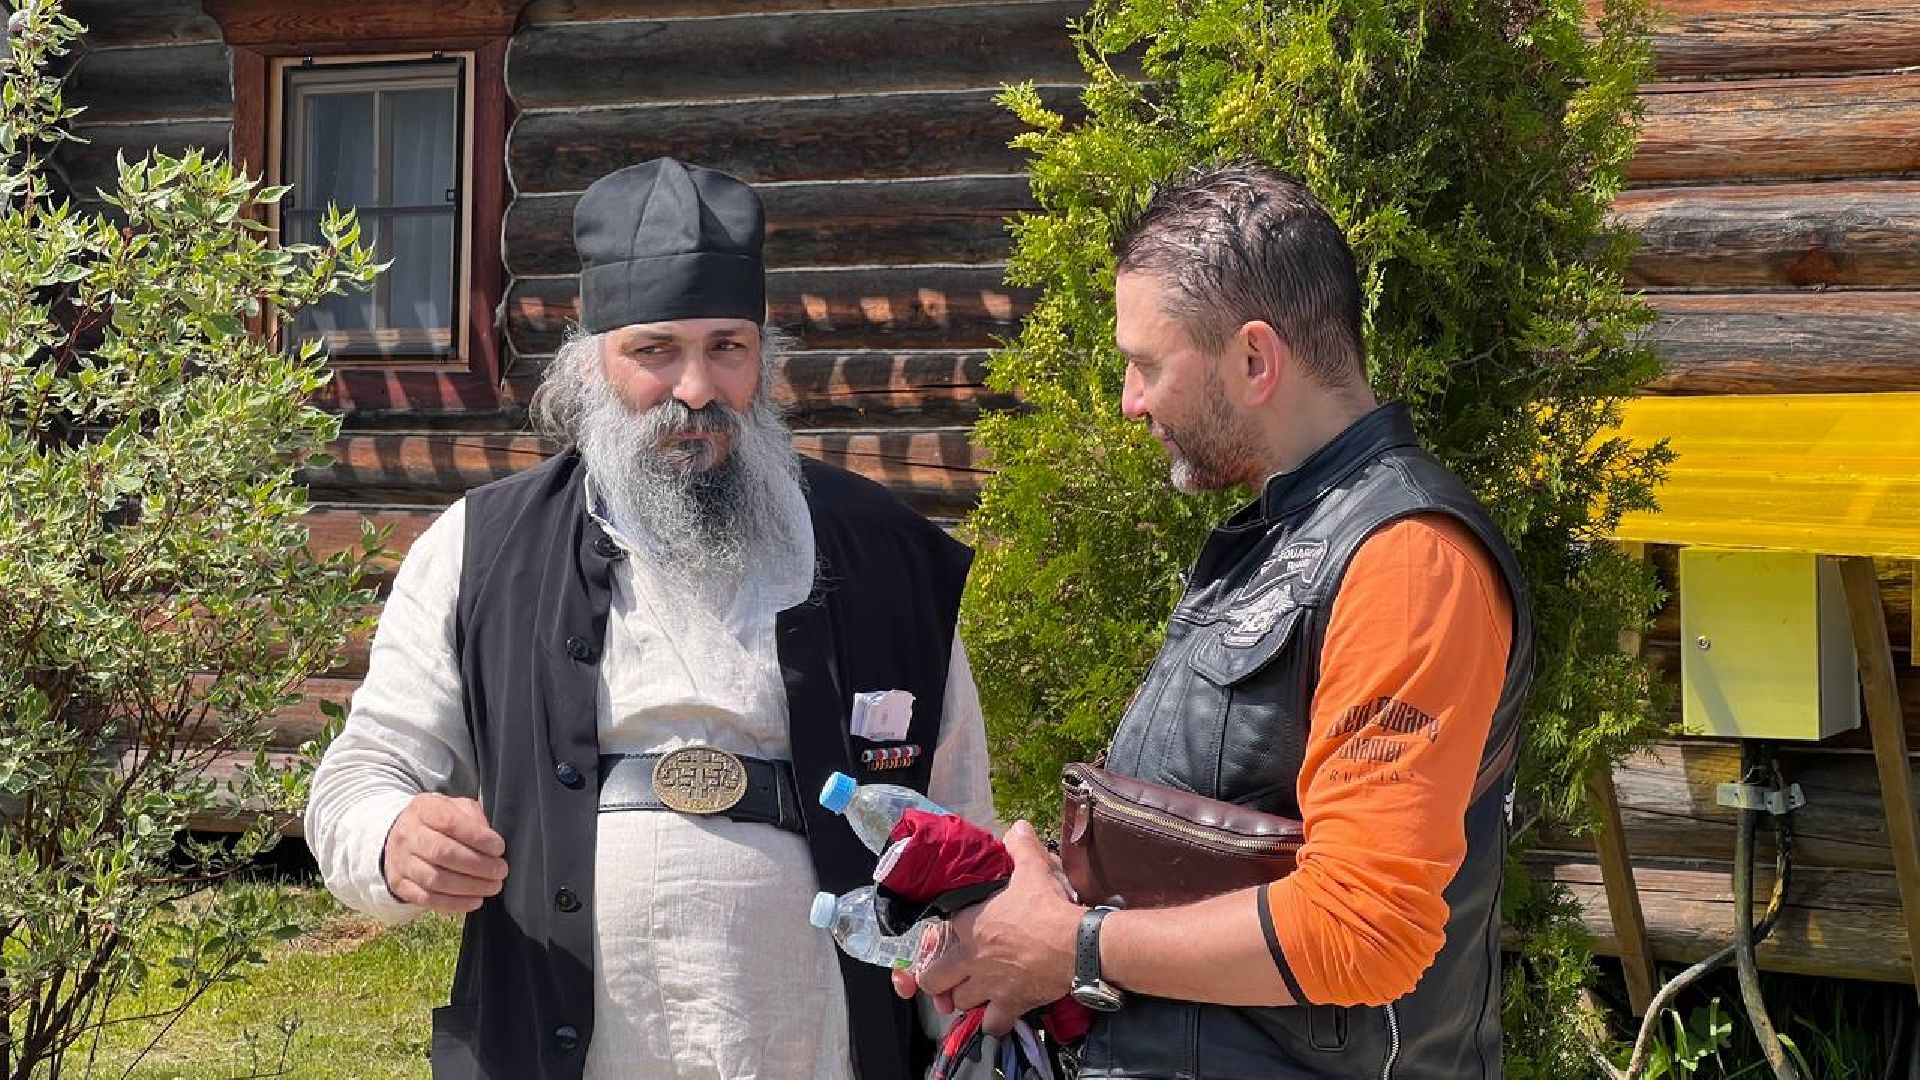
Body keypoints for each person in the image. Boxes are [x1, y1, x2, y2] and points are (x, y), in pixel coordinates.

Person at [306, 157, 995, 1080]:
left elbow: (959, 822)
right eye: (656, 351)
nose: (697, 388)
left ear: (764, 360)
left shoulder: (887, 555)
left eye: (727, 348)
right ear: (591, 362)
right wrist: (395, 838)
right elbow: (361, 777)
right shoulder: (479, 548)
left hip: (823, 1049)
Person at [904, 161, 1535, 1079]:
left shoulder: (1408, 562)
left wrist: (1073, 945)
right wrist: (1036, 904)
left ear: (1253, 360)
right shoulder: (1278, 538)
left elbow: (1365, 927)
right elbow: (1223, 848)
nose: (1131, 400)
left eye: (1147, 364)